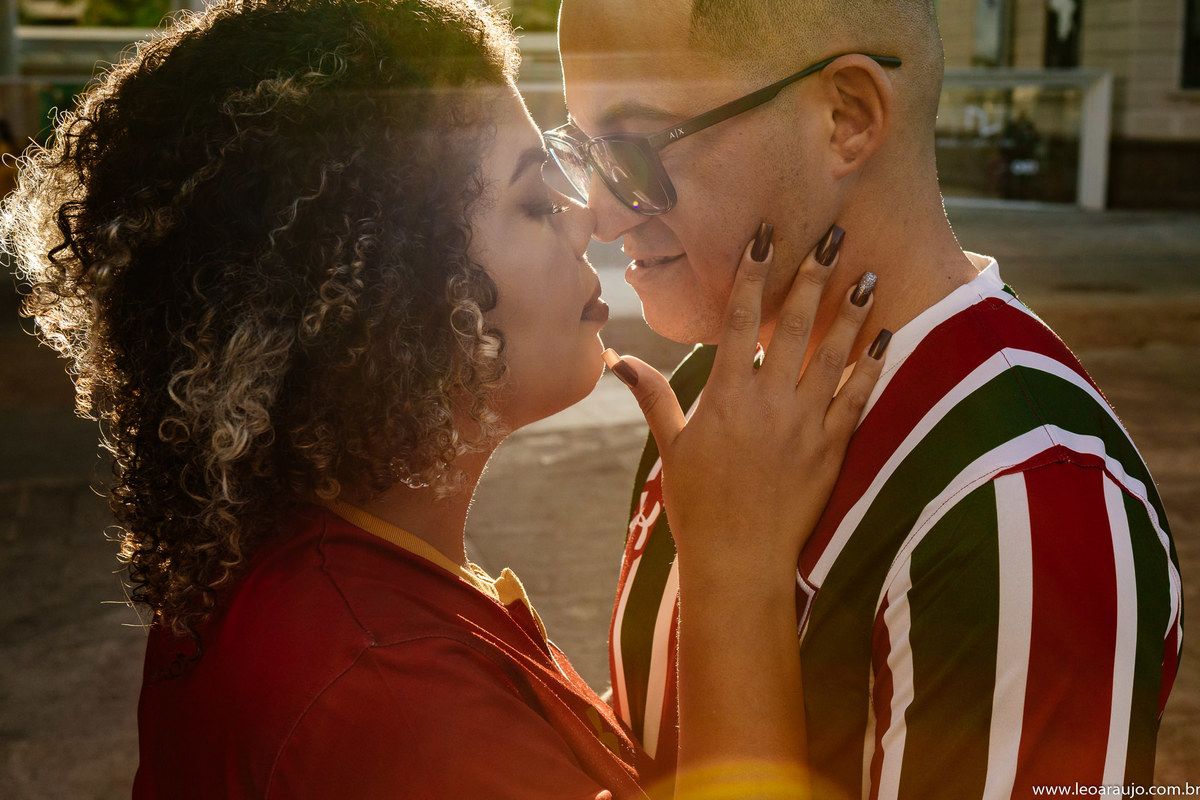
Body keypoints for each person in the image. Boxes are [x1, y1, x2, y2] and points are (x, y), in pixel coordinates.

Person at [1, 0, 888, 796]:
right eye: (536, 202)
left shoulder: (334, 582)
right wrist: (737, 572)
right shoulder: (384, 689)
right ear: (392, 297)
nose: (591, 219)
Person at [552, 0, 1184, 796]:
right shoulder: (713, 393)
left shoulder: (1030, 496)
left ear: (846, 118)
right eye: (582, 152)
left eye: (634, 152)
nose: (603, 216)